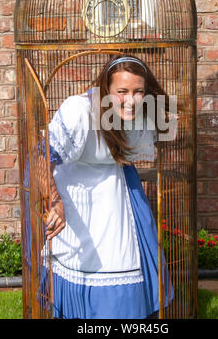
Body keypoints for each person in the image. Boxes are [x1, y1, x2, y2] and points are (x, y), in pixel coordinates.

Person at [43, 55, 174, 319]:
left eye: (139, 92)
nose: (130, 99)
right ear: (105, 88)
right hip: (74, 190)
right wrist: (55, 201)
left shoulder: (141, 111)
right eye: (121, 91)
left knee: (127, 254)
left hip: (118, 184)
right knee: (88, 256)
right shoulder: (79, 111)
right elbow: (40, 157)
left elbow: (157, 135)